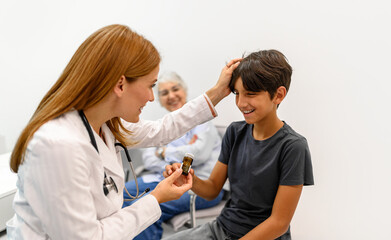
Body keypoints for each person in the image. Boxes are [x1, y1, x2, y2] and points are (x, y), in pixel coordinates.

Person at [6, 24, 240, 239]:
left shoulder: (104, 125)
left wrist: (219, 91)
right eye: (151, 86)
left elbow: (162, 130)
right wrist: (156, 198)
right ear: (120, 85)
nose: (152, 97)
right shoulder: (58, 144)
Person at [164, 49, 314, 240]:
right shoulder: (235, 132)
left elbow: (279, 223)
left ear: (278, 95)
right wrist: (190, 180)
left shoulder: (293, 147)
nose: (241, 103)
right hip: (222, 229)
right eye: (237, 93)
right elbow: (211, 190)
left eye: (250, 94)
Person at [123, 71, 224, 240]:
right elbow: (148, 158)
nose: (171, 96)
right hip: (163, 178)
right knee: (122, 194)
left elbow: (198, 154)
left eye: (175, 89)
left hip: (201, 187)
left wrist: (163, 152)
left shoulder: (203, 122)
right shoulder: (163, 126)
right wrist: (175, 162)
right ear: (159, 99)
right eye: (164, 93)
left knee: (144, 208)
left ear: (184, 91)